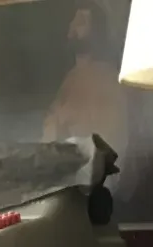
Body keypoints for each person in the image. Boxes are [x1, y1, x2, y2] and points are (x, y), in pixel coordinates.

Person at [42, 3, 128, 155]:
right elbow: (51, 130)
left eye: (81, 21)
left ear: (97, 31)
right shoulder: (72, 77)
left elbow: (108, 143)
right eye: (73, 21)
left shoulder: (108, 80)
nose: (72, 26)